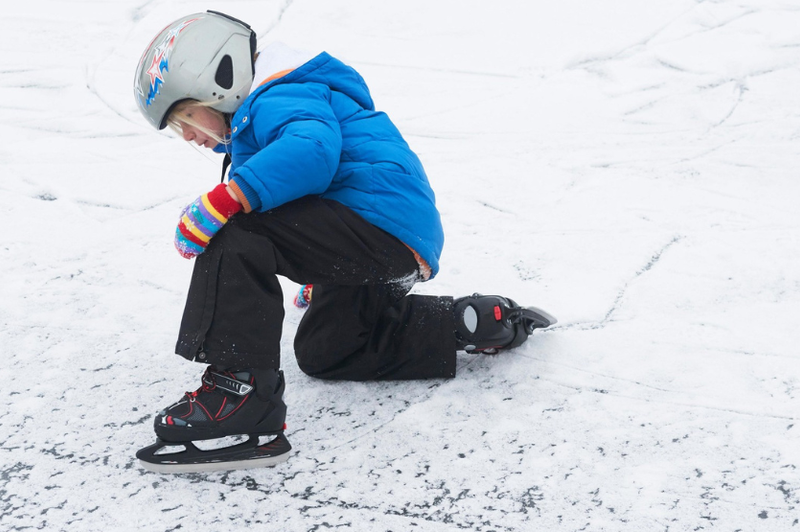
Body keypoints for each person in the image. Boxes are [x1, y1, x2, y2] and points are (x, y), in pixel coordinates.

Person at [132, 11, 556, 474]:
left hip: (376, 224)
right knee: (328, 350)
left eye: (186, 117)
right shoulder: (273, 107)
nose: (191, 137)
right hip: (391, 242)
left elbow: (312, 153)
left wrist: (224, 200)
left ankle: (239, 397)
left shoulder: (279, 94)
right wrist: (325, 266)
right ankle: (467, 324)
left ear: (219, 81)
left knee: (236, 233)